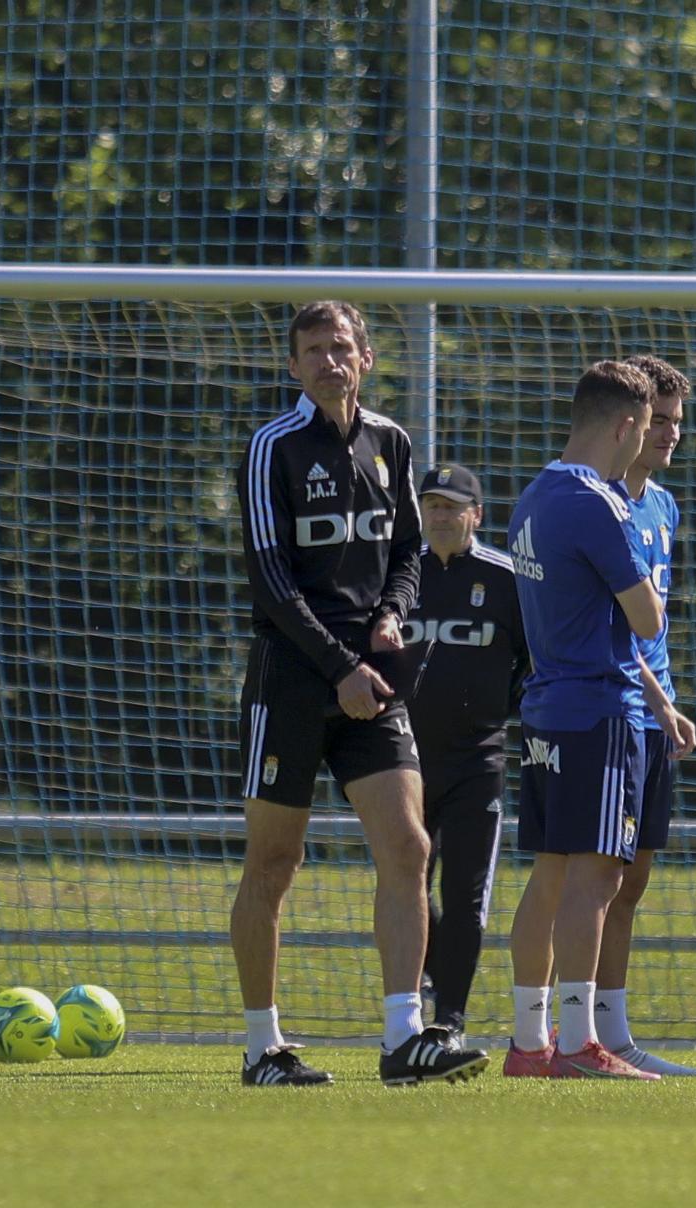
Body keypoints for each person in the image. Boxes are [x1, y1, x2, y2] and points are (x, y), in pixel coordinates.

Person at [231, 300, 488, 1087]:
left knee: (410, 848)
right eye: (311, 350)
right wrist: (338, 666)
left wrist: (389, 617)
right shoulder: (270, 447)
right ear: (292, 366)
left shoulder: (393, 443)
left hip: (371, 680)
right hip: (295, 677)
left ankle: (405, 1037)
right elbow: (271, 582)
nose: (327, 361)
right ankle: (261, 1047)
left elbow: (408, 549)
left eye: (340, 347)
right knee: (275, 860)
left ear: (367, 357)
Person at [504, 359, 669, 1080]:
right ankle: (578, 1043)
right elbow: (646, 615)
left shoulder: (533, 496)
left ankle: (528, 1041)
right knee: (596, 880)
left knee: (548, 876)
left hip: (543, 708)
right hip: (596, 710)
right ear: (626, 426)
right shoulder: (598, 503)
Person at [593, 353, 696, 1076]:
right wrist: (658, 700)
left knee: (633, 880)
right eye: (658, 421)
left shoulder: (662, 505)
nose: (668, 434)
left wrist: (667, 697)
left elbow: (653, 622)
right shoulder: (598, 502)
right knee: (591, 877)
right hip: (615, 708)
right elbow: (605, 622)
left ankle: (614, 1030)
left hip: (654, 713)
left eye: (677, 423)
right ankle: (566, 1029)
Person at [402, 463, 528, 1044]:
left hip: (478, 761)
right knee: (405, 882)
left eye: (452, 507)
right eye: (432, 505)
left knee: (467, 891)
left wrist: (500, 712)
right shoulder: (398, 573)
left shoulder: (507, 579)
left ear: (476, 515)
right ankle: (428, 981)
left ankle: (449, 1019)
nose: (440, 516)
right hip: (401, 757)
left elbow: (533, 660)